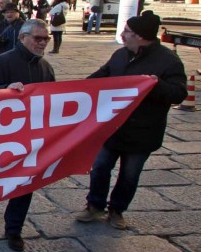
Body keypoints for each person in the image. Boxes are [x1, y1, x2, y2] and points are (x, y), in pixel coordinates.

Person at [76, 11, 187, 229]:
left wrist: (157, 85)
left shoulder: (168, 61)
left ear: (140, 36)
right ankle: (94, 205)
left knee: (129, 174)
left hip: (143, 132)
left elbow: (178, 93)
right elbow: (99, 78)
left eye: (127, 31)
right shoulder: (120, 55)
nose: (123, 34)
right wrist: (71, 92)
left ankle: (117, 210)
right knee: (100, 167)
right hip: (113, 128)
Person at [0, 20, 55, 250]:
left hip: (30, 138)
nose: (42, 43)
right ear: (22, 38)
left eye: (45, 39)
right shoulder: (4, 61)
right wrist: (5, 91)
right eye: (37, 38)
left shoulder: (46, 68)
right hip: (0, 136)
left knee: (26, 181)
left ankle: (14, 229)